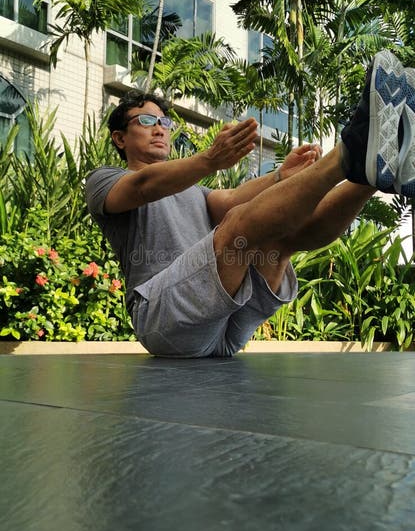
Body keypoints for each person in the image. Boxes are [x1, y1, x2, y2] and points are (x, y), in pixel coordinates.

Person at [86, 50, 415, 358]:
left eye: (164, 122)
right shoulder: (105, 180)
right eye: (145, 121)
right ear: (120, 138)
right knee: (238, 232)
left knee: (276, 235)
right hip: (165, 319)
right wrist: (210, 159)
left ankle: (372, 177)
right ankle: (351, 150)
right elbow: (143, 186)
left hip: (228, 322)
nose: (159, 128)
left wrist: (280, 177)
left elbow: (230, 199)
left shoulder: (193, 191)